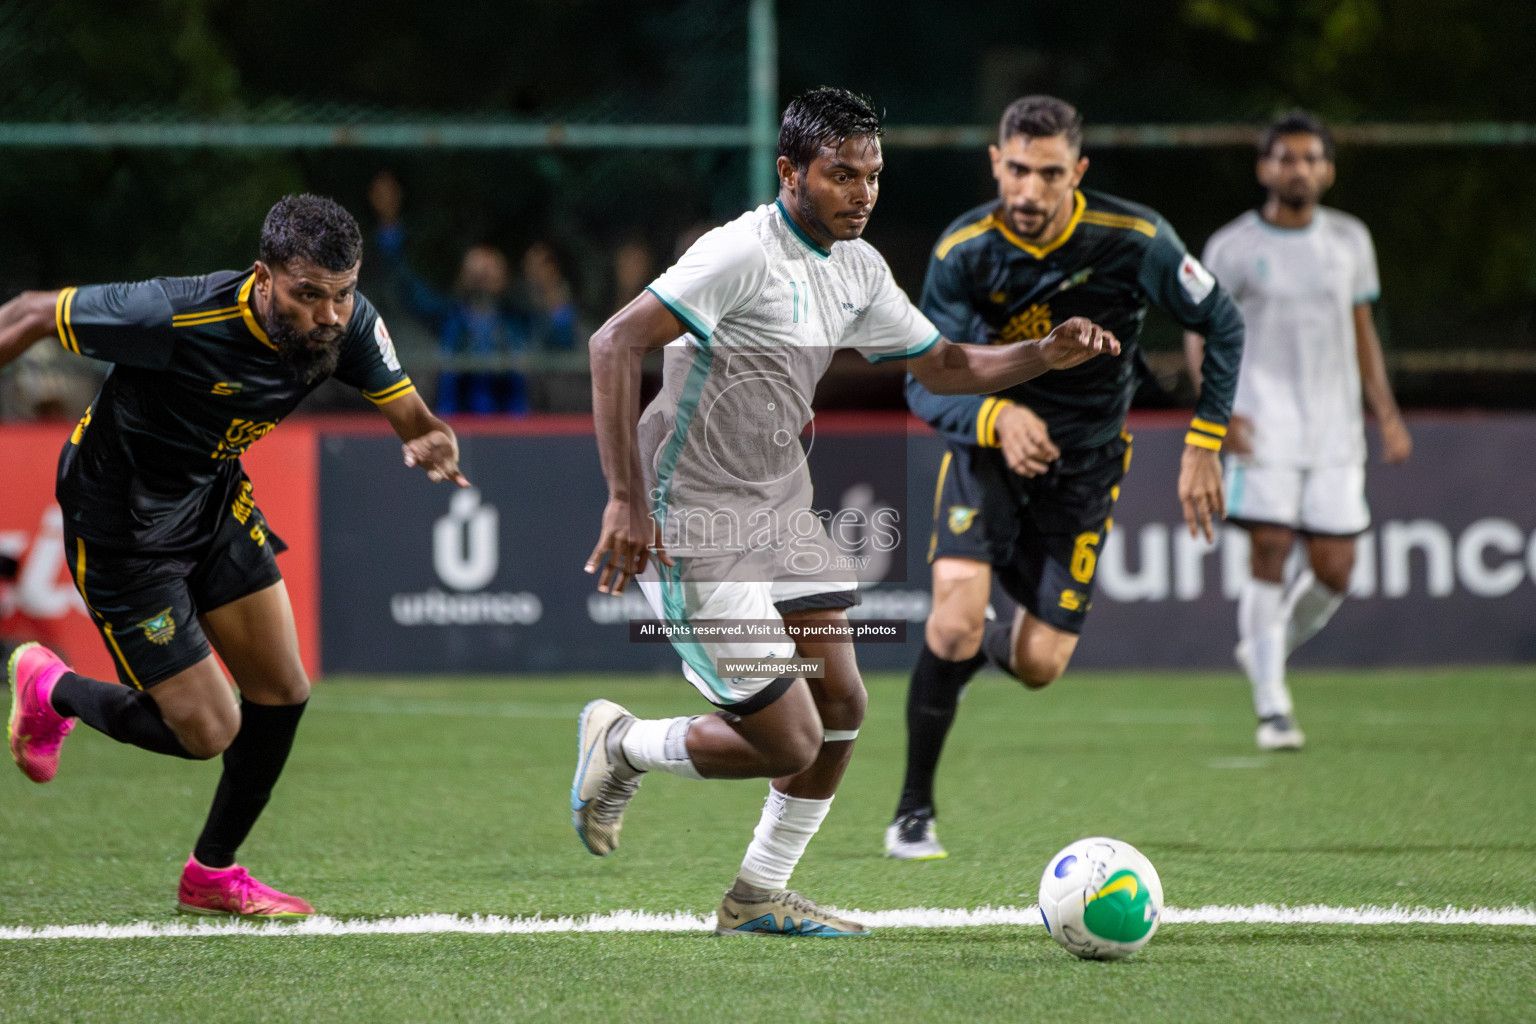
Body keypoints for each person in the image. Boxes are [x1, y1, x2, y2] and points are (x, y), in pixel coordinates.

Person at [573, 87, 1119, 938]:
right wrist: (625, 500)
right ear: (791, 172)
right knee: (789, 741)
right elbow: (615, 342)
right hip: (696, 512)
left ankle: (755, 898)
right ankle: (622, 745)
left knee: (841, 707)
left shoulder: (858, 267)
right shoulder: (738, 254)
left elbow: (940, 364)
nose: (862, 192)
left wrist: (1039, 355)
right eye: (841, 175)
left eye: (873, 174)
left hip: (780, 500)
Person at [0, 194, 469, 917]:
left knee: (283, 690)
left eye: (341, 295)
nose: (328, 315)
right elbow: (31, 312)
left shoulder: (348, 326)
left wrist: (428, 436)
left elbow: (410, 413)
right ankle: (48, 688)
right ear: (263, 278)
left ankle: (212, 874)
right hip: (120, 526)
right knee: (208, 732)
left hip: (212, 502)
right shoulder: (172, 314)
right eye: (308, 295)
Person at [885, 95, 1246, 860]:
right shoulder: (964, 251)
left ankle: (962, 653)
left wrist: (1204, 440)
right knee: (950, 618)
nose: (1029, 192)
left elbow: (1223, 322)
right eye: (1016, 169)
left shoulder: (1137, 239)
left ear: (1076, 171)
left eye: (1049, 174)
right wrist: (995, 419)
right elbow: (921, 382)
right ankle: (912, 809)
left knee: (1043, 665)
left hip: (1086, 467)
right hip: (988, 457)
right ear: (995, 162)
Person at [1186, 110, 1411, 751]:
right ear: (1264, 167)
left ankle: (1265, 651)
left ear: (1329, 170)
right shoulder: (1232, 246)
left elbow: (1362, 330)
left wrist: (1387, 415)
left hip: (1336, 431)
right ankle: (1272, 706)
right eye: (1286, 158)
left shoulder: (1349, 240)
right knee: (1269, 551)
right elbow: (1200, 330)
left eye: (1311, 159)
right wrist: (1217, 412)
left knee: (1338, 568)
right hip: (1262, 426)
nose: (1299, 169)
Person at [367, 169, 532, 414]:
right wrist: (390, 225)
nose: (481, 277)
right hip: (453, 425)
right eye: (475, 270)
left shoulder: (518, 323)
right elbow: (406, 287)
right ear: (462, 277)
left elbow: (557, 338)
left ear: (504, 280)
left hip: (513, 428)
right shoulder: (447, 318)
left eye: (489, 271)